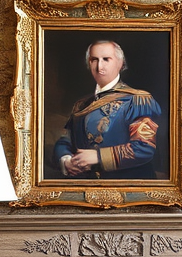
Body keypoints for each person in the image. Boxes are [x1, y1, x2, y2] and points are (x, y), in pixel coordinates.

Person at [54, 40, 161, 178]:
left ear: (120, 63)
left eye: (106, 59)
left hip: (128, 185)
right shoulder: (81, 105)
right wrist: (66, 160)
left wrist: (98, 157)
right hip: (85, 187)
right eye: (94, 60)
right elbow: (65, 141)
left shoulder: (137, 100)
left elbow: (143, 148)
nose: (99, 66)